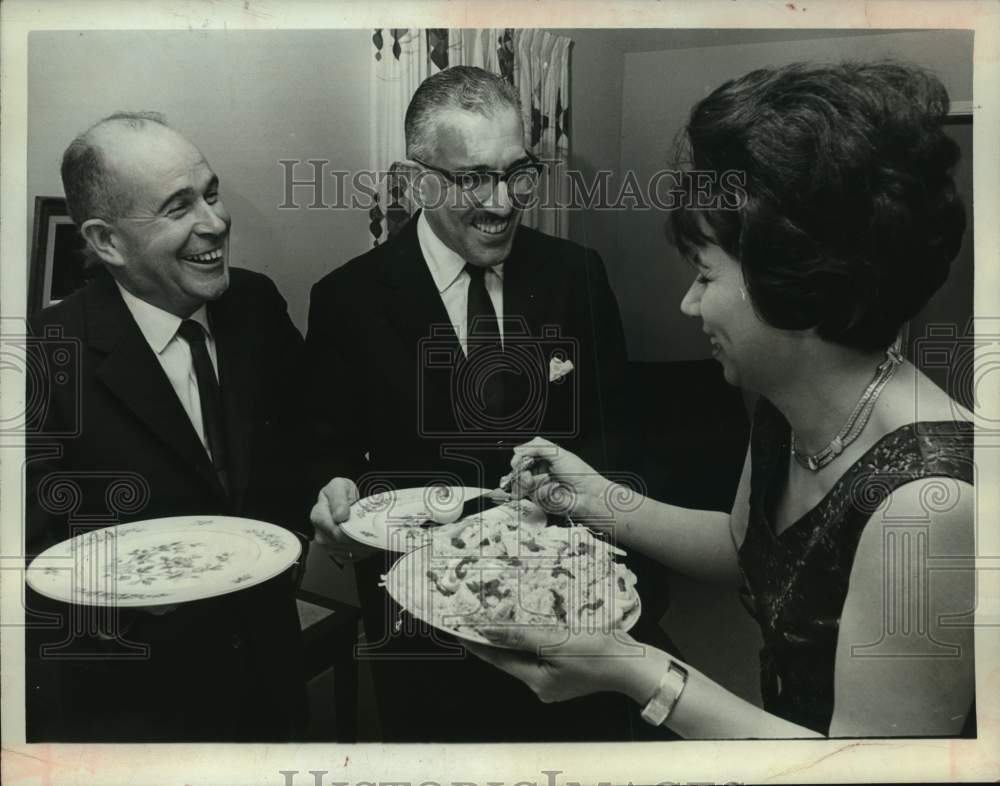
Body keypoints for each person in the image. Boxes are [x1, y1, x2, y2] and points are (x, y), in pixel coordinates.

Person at [467, 61, 975, 738]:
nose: (689, 302)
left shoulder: (932, 503)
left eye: (705, 276)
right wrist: (587, 497)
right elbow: (744, 547)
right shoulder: (787, 401)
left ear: (794, 283)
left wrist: (632, 669)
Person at [305, 66, 669, 741]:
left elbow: (621, 433)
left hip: (566, 611)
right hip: (423, 631)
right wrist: (332, 490)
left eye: (517, 174)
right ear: (415, 181)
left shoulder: (577, 275)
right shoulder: (345, 299)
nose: (502, 203)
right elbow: (328, 448)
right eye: (473, 178)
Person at [25, 112, 311, 742]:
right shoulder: (41, 359)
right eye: (179, 207)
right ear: (106, 242)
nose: (216, 222)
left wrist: (317, 508)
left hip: (268, 680)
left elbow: (303, 442)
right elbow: (29, 556)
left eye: (211, 193)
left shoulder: (257, 305)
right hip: (134, 709)